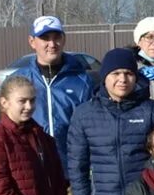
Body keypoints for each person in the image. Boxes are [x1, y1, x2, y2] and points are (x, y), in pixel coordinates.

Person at [68, 47, 154, 195]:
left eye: (129, 73)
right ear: (104, 77)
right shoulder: (84, 115)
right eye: (116, 73)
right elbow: (78, 170)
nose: (122, 79)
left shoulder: (152, 111)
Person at [6, 15, 97, 171]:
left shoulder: (81, 81)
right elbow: (3, 126)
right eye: (45, 38)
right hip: (30, 167)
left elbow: (92, 127)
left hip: (72, 168)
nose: (52, 44)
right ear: (32, 42)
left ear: (64, 39)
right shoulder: (17, 80)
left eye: (57, 37)